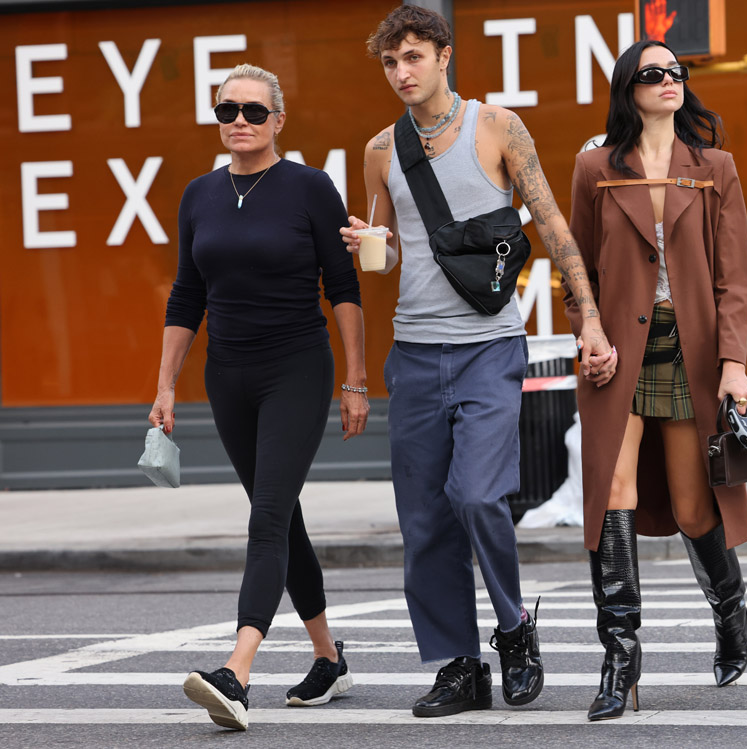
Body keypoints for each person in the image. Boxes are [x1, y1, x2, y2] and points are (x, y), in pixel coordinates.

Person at [340, 5, 612, 718]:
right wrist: (374, 244)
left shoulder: (497, 126)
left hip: (490, 345)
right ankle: (462, 665)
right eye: (390, 62)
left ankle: (516, 628)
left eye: (413, 57)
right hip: (415, 351)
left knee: (476, 494)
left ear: (443, 55)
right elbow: (395, 250)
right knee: (425, 517)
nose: (402, 73)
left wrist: (589, 320)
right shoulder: (378, 149)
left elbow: (550, 220)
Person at [149, 63, 368, 731]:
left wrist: (356, 379)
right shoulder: (197, 195)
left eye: (251, 110)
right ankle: (329, 657)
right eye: (226, 111)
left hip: (296, 368)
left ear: (277, 121)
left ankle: (237, 670)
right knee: (282, 513)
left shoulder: (310, 188)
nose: (237, 121)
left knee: (267, 514)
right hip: (228, 376)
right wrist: (164, 383)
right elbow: (188, 293)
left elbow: (345, 288)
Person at [565, 40, 747, 721]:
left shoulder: (714, 168)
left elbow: (736, 275)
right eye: (653, 73)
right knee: (610, 497)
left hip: (691, 352)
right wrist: (587, 329)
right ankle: (620, 663)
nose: (669, 81)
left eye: (676, 72)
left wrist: (734, 361)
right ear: (629, 88)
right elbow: (578, 269)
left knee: (691, 506)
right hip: (616, 356)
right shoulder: (594, 168)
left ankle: (730, 611)